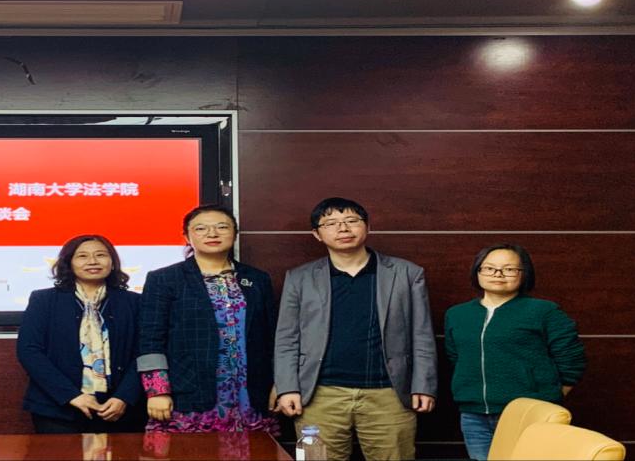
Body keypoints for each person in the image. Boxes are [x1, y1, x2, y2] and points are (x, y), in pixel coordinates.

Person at [274, 197, 438, 461]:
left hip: (388, 394)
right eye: (331, 223)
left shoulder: (406, 273)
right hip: (319, 395)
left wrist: (424, 385)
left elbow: (421, 334)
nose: (343, 228)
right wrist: (287, 387)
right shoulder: (300, 277)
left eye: (351, 220)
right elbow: (286, 338)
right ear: (317, 234)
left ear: (368, 227)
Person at [137, 204, 278, 433]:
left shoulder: (257, 279)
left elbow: (271, 337)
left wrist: (278, 383)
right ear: (187, 236)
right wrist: (157, 391)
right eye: (201, 228)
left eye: (222, 227)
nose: (212, 234)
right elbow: (150, 339)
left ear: (234, 233)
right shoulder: (164, 279)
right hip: (189, 392)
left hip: (250, 394)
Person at [444, 243, 586, 461]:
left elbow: (572, 360)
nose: (498, 274)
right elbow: (456, 356)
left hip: (528, 414)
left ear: (524, 273)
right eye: (489, 268)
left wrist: (548, 398)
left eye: (509, 269)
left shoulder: (543, 311)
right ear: (478, 272)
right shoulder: (457, 314)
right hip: (474, 416)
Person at [17, 234, 145, 433]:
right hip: (58, 409)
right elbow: (29, 351)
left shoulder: (134, 302)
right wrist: (71, 395)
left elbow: (144, 352)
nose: (92, 261)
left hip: (119, 409)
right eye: (82, 256)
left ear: (112, 262)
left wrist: (124, 397)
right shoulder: (44, 300)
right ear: (69, 263)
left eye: (100, 255)